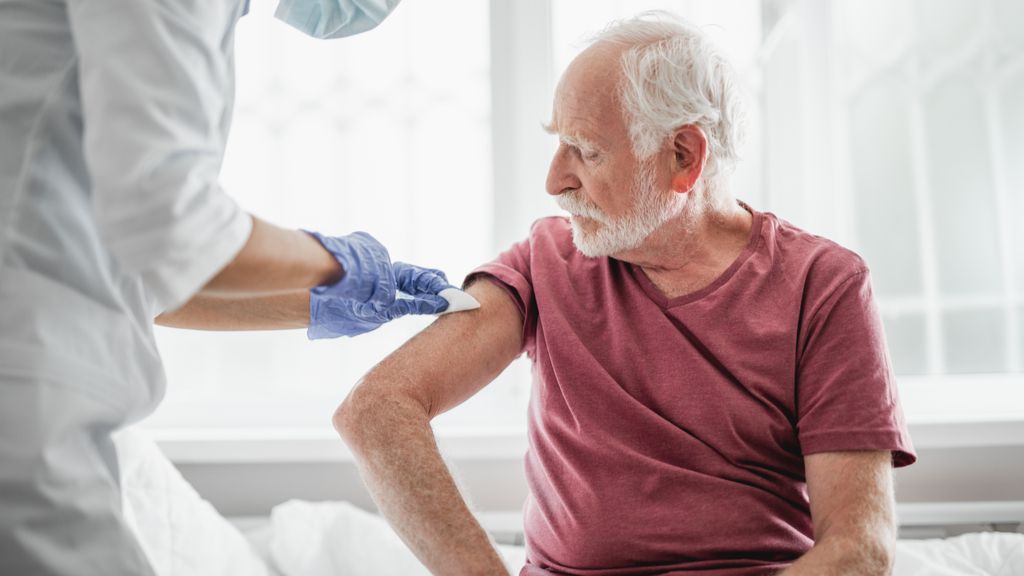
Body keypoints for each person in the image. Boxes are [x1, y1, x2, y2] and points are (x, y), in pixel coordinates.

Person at [334, 12, 917, 576]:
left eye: (586, 150)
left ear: (683, 157)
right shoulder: (544, 263)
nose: (554, 180)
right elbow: (377, 410)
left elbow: (859, 550)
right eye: (559, 144)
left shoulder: (824, 285)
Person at [0, 0, 450, 574]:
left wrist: (315, 300)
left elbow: (141, 275)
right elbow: (171, 229)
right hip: (27, 392)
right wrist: (336, 265)